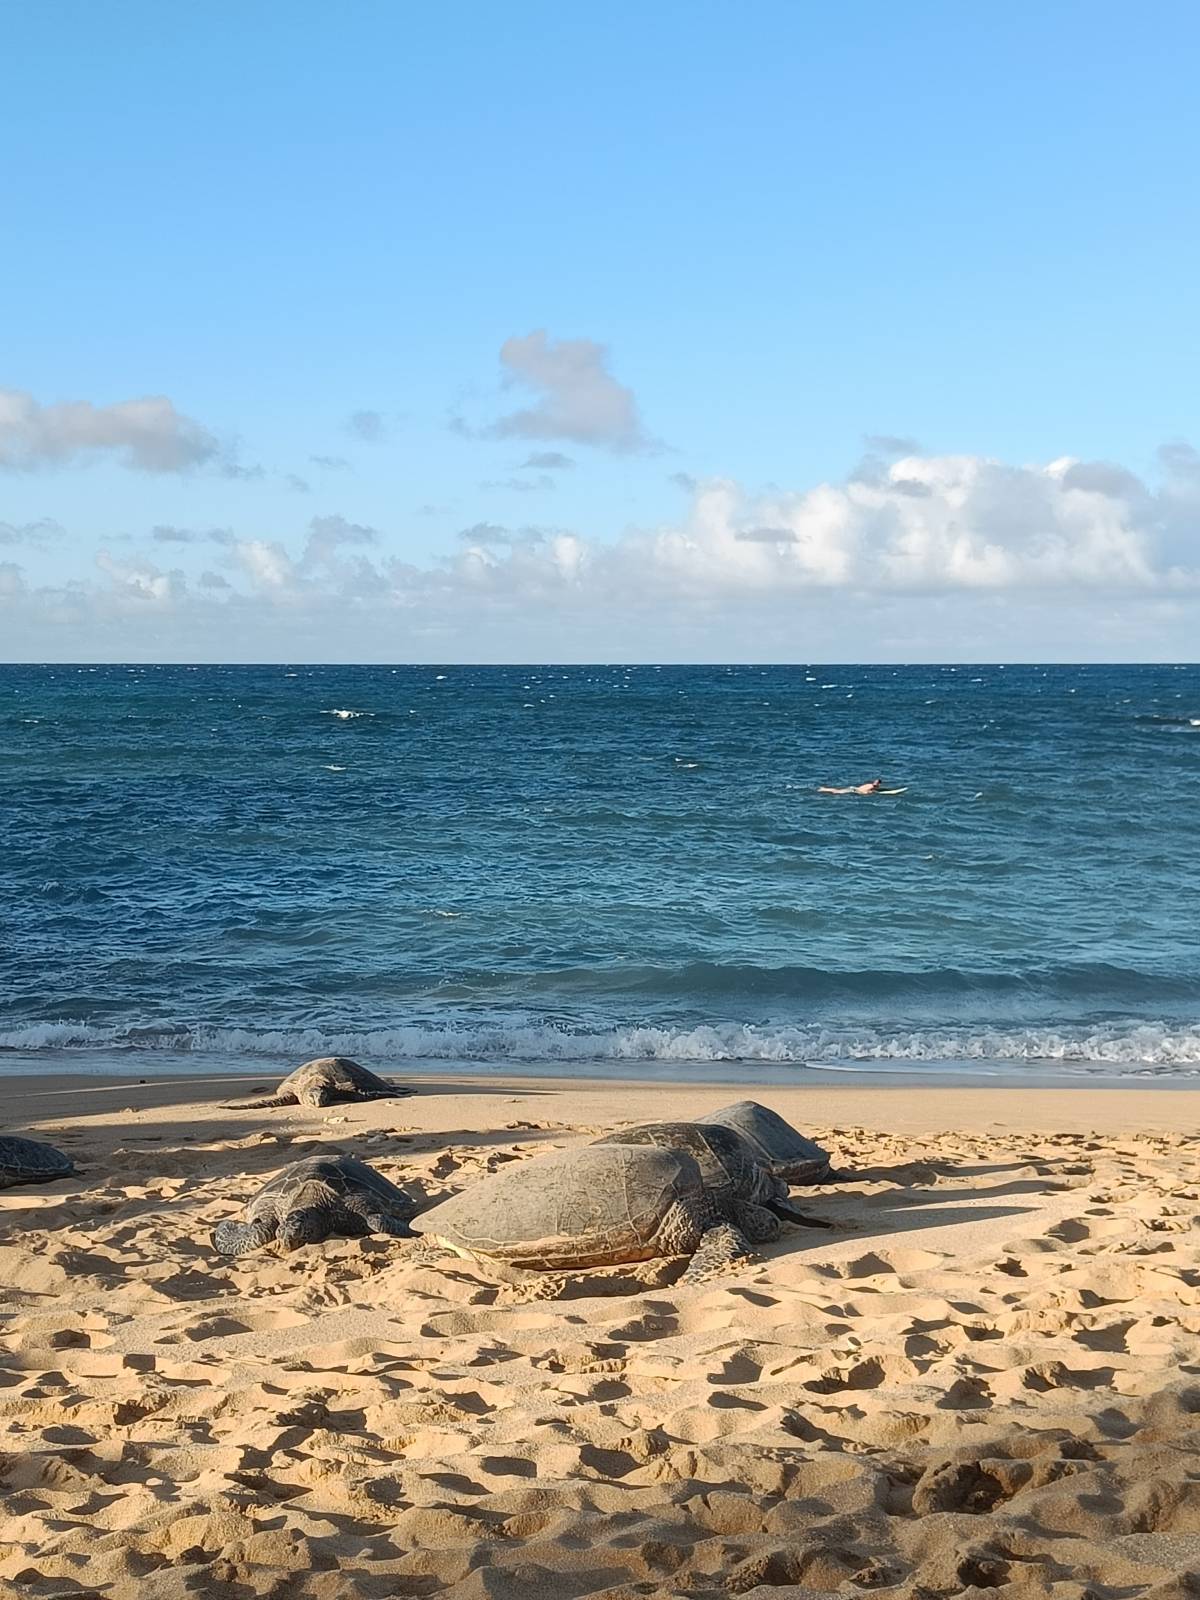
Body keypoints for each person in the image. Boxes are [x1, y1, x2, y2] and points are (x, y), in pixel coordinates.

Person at [818, 777, 884, 795]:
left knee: (837, 790)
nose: (875, 783)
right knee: (836, 792)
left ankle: (824, 789)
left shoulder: (870, 784)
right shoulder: (872, 786)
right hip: (854, 790)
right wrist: (869, 793)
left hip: (854, 788)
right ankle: (823, 789)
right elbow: (863, 791)